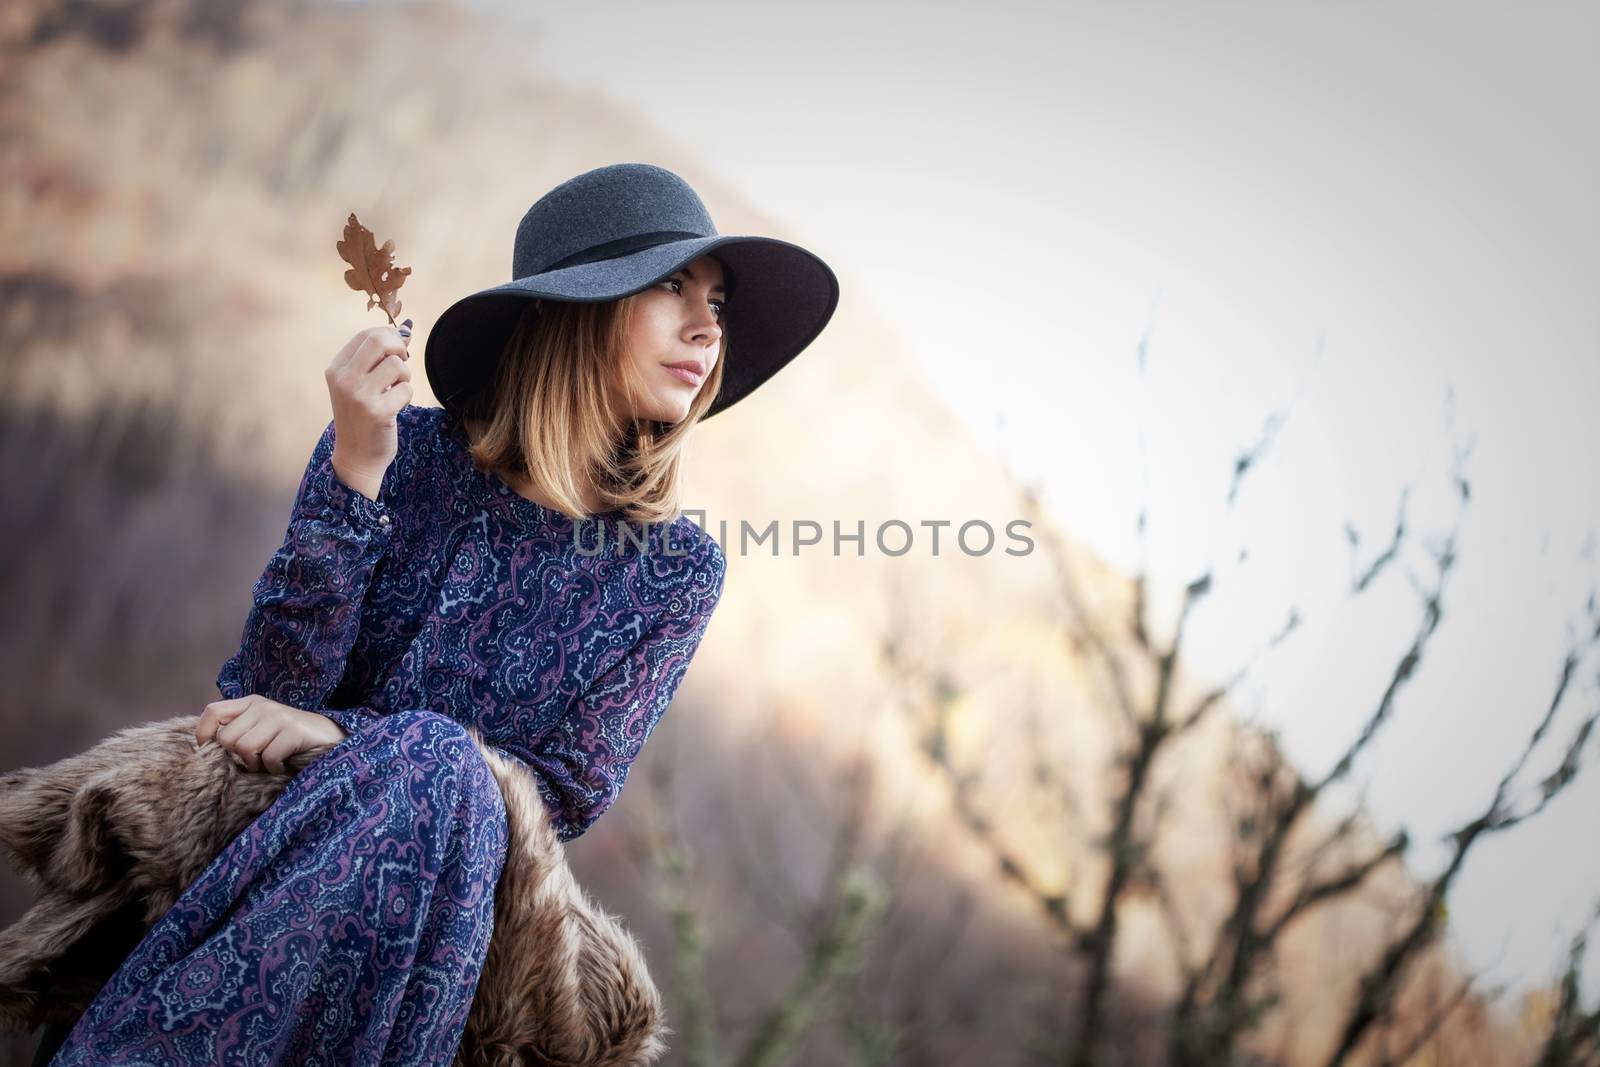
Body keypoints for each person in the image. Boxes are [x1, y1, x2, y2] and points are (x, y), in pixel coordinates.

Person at [37, 163, 839, 1066]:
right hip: (276, 853)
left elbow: (560, 792)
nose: (706, 326)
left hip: (451, 917)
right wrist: (353, 474)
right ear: (574, 309)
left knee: (446, 768)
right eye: (669, 285)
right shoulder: (403, 455)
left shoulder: (676, 570)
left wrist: (344, 735)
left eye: (718, 303)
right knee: (434, 760)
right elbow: (262, 701)